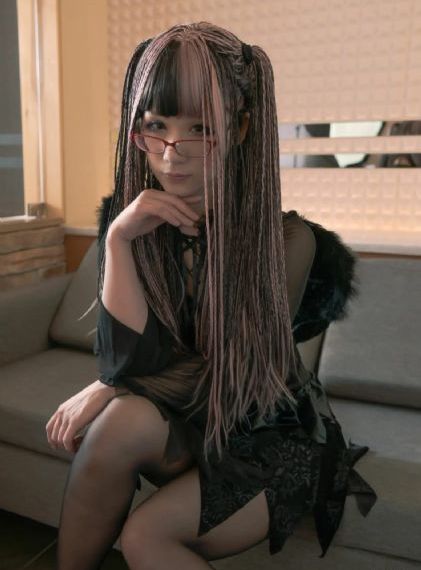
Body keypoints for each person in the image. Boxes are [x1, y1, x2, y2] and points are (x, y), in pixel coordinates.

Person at [45, 21, 377, 569]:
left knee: (143, 536)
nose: (171, 153)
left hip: (265, 432)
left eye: (200, 128)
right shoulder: (133, 223)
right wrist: (119, 240)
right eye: (156, 125)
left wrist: (109, 387)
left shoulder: (288, 240)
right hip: (190, 424)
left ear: (240, 128)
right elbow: (126, 360)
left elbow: (231, 373)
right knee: (117, 425)